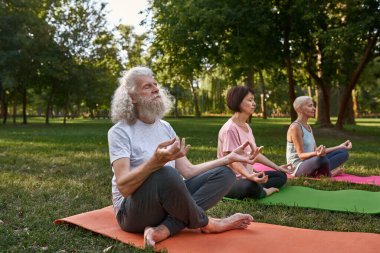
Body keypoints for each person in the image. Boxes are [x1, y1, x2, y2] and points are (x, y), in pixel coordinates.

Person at [107, 67, 256, 248]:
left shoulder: (165, 127)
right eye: (147, 87)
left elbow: (188, 171)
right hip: (132, 212)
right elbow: (123, 186)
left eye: (155, 84)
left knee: (225, 174)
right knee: (166, 174)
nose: (156, 89)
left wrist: (228, 159)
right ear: (132, 97)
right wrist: (154, 163)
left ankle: (165, 228)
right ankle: (209, 223)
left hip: (167, 206)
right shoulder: (120, 132)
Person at [217, 86, 293, 200]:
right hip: (231, 180)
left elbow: (255, 154)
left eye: (253, 100)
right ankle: (263, 191)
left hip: (248, 175)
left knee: (280, 175)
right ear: (238, 102)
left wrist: (277, 167)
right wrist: (249, 176)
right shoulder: (230, 129)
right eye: (250, 100)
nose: (254, 103)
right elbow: (232, 161)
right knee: (249, 186)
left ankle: (257, 186)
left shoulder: (246, 126)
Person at [286, 96, 352, 177]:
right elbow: (301, 156)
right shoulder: (295, 127)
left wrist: (339, 146)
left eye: (313, 105)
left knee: (343, 152)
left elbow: (316, 151)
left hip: (313, 160)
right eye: (310, 106)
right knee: (321, 159)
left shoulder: (308, 127)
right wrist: (317, 154)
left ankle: (321, 172)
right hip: (298, 166)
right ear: (300, 109)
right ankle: (328, 174)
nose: (314, 108)